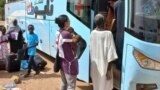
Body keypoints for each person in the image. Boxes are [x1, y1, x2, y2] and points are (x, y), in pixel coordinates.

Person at [90, 14, 118, 90]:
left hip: (94, 67)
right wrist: (108, 70)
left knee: (96, 86)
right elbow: (111, 54)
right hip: (104, 67)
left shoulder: (92, 33)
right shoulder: (108, 34)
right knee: (105, 86)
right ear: (104, 22)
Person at [55, 14, 79, 90]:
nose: (69, 22)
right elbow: (75, 46)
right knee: (71, 86)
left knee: (64, 83)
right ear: (65, 23)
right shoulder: (66, 34)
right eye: (69, 21)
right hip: (69, 63)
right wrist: (76, 38)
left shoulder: (58, 32)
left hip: (62, 62)